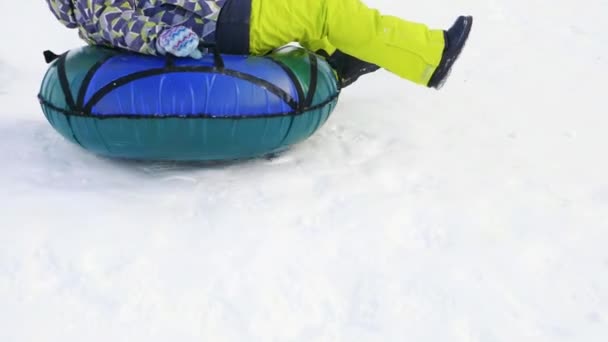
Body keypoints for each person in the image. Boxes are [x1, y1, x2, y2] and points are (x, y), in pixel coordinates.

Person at [45, 0, 472, 89]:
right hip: (220, 23)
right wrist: (161, 37)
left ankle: (337, 62)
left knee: (313, 17)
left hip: (223, 11)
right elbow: (117, 23)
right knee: (324, 10)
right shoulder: (90, 4)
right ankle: (431, 56)